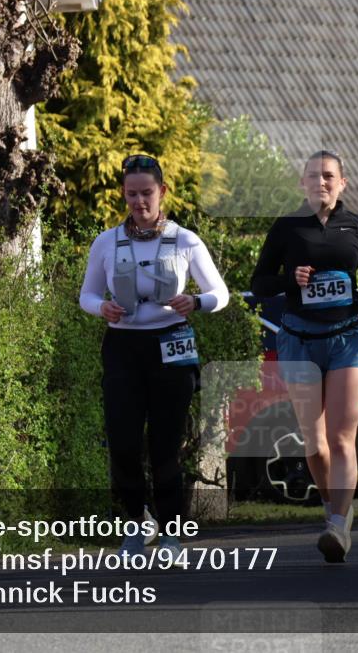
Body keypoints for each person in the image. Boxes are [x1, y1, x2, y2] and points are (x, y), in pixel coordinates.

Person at [80, 154, 229, 556]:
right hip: (123, 347)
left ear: (162, 192)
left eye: (147, 193)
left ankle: (171, 534)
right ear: (123, 195)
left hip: (171, 343)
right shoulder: (106, 242)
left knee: (166, 443)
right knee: (124, 441)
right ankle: (135, 524)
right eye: (131, 194)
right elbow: (88, 294)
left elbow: (221, 294)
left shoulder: (185, 240)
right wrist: (102, 308)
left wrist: (195, 303)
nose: (139, 202)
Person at [250, 150, 358, 562]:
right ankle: (337, 514)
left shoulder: (356, 226)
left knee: (341, 437)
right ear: (303, 184)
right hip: (299, 338)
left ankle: (337, 522)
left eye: (329, 176)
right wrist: (288, 280)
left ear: (342, 183)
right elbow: (259, 284)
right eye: (313, 176)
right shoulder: (287, 228)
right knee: (314, 444)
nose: (321, 182)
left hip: (348, 335)